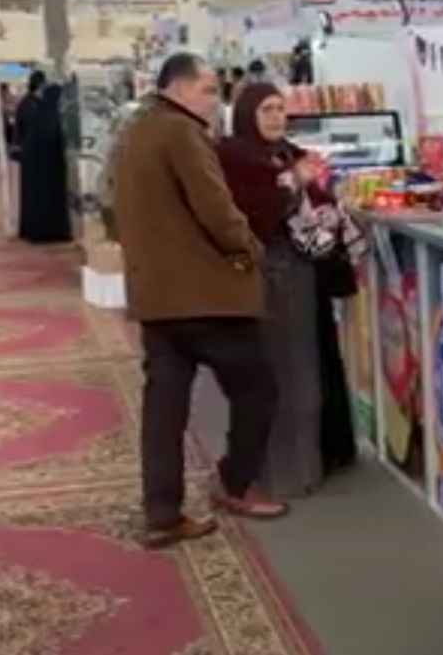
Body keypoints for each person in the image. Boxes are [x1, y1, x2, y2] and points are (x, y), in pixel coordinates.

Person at [110, 52, 288, 549]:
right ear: (179, 88)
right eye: (208, 90)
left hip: (156, 295)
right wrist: (249, 251)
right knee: (257, 390)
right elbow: (216, 208)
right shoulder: (182, 132)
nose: (215, 101)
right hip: (207, 296)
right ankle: (235, 483)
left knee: (164, 411)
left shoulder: (133, 131)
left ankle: (162, 512)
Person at [215, 82, 327, 497]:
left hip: (299, 271)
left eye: (280, 108)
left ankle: (306, 467)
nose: (277, 116)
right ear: (247, 114)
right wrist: (290, 184)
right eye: (266, 109)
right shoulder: (234, 158)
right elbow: (248, 217)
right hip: (264, 274)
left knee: (304, 370)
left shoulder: (288, 154)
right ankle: (273, 473)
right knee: (274, 373)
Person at [17, 82, 72, 244]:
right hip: (50, 172)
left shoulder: (37, 115)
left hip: (34, 169)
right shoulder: (52, 118)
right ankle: (53, 231)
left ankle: (37, 230)